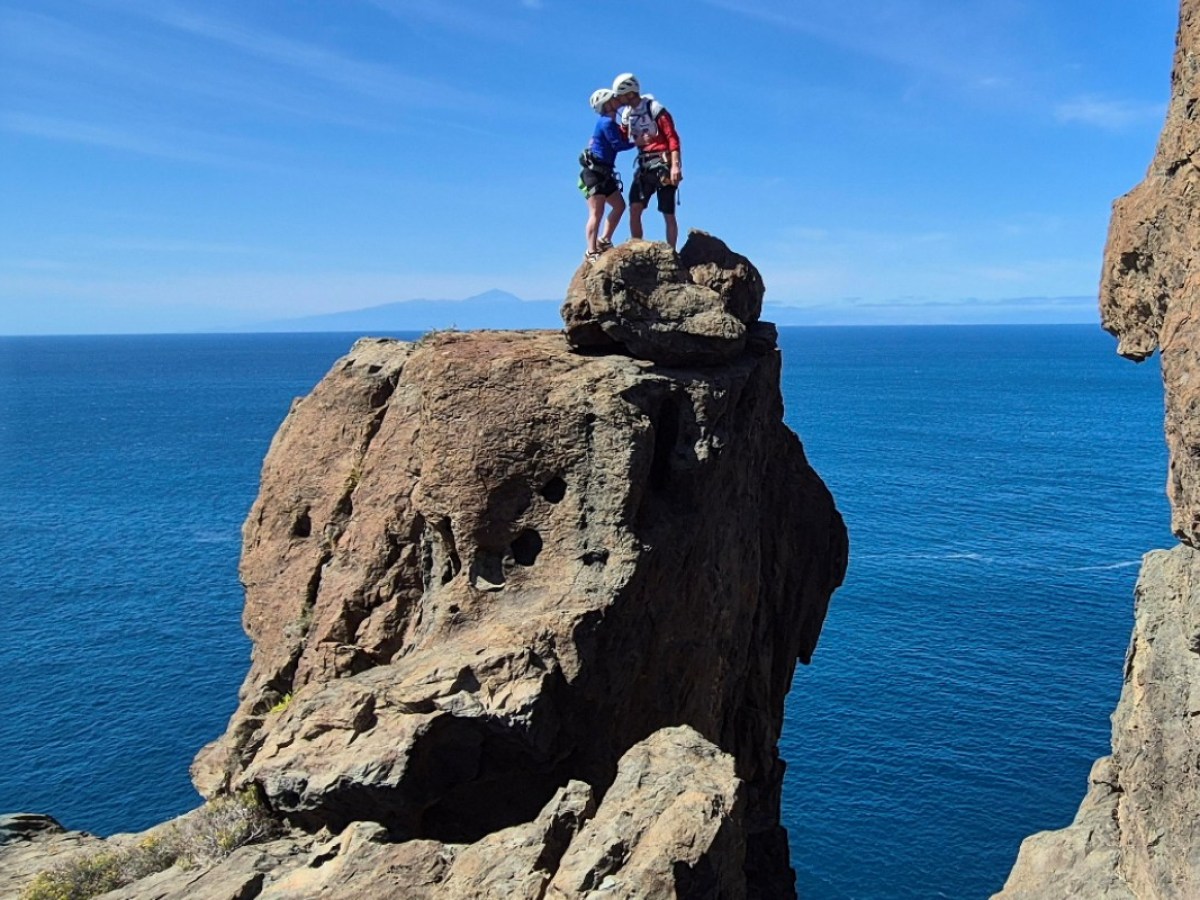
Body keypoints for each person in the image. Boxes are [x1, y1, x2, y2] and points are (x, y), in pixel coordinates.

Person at [612, 72, 683, 249]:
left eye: (621, 96)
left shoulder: (654, 108)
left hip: (662, 163)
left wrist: (675, 165)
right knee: (635, 208)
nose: (620, 100)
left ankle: (671, 252)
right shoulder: (627, 115)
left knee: (668, 212)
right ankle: (638, 248)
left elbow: (672, 137)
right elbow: (620, 139)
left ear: (629, 92)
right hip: (644, 165)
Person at [579, 87, 634, 263]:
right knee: (597, 212)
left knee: (619, 206)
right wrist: (639, 141)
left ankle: (604, 240)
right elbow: (618, 144)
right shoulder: (606, 123)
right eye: (613, 99)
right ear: (607, 104)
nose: (617, 101)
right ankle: (591, 251)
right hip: (595, 173)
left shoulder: (610, 123)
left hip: (604, 172)